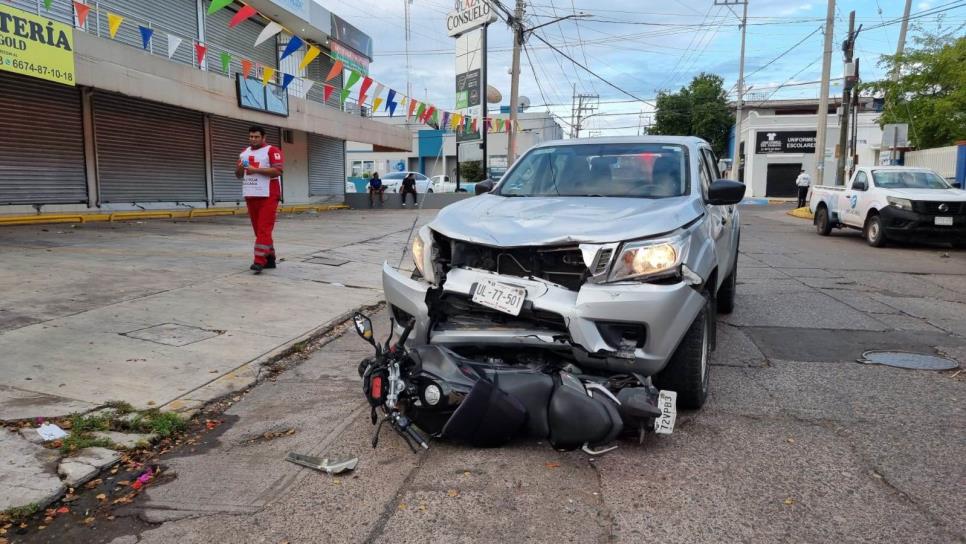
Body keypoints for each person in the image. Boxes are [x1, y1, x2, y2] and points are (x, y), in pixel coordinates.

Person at [235, 126, 284, 275]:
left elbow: (278, 170)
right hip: (251, 194)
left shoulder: (272, 150)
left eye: (256, 137)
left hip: (269, 194)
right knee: (259, 230)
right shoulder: (244, 153)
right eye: (251, 136)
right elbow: (238, 175)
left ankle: (259, 261)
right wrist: (240, 168)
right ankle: (270, 258)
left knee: (264, 228)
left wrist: (255, 169)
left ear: (264, 137)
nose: (253, 139)